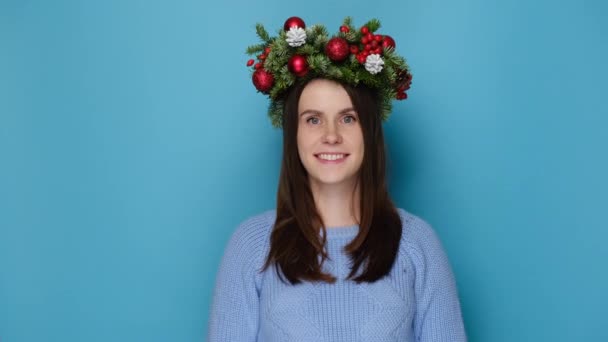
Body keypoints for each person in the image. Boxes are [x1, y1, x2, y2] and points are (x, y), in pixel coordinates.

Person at [207, 16, 467, 342]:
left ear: (369, 132)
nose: (331, 136)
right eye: (313, 119)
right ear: (294, 135)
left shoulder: (417, 244)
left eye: (348, 118)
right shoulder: (251, 246)